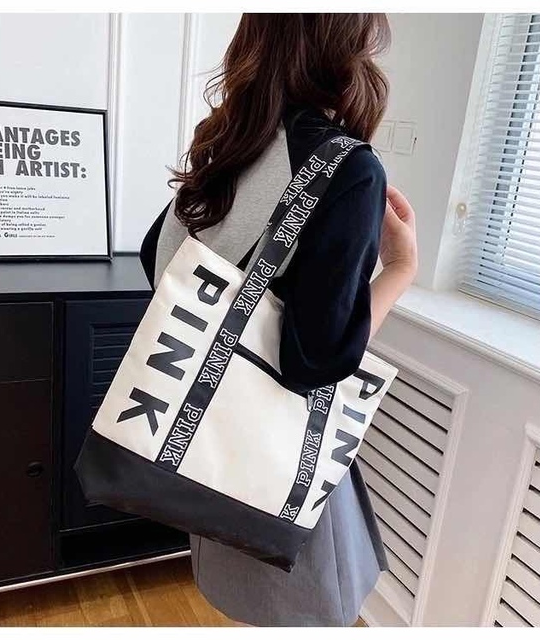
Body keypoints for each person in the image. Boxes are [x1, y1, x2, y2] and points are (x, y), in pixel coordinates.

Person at [139, 13, 418, 627]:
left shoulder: (228, 146)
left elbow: (157, 259)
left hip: (208, 444)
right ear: (347, 50)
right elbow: (314, 361)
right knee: (312, 610)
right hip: (278, 458)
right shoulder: (346, 166)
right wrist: (400, 269)